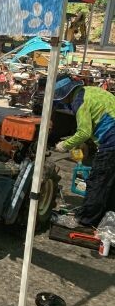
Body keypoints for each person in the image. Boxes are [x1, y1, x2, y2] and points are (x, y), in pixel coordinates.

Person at [53, 76, 115, 228]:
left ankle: (85, 220)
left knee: (97, 181)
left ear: (65, 94)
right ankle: (107, 218)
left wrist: (64, 145)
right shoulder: (92, 91)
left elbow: (84, 132)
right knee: (110, 184)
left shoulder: (79, 102)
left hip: (111, 142)